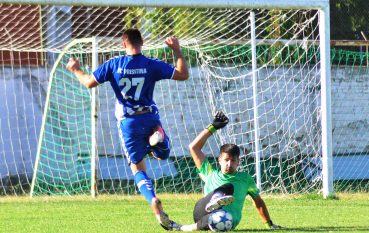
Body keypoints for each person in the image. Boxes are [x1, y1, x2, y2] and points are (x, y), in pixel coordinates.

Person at [66, 28, 189, 228]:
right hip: (149, 117)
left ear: (124, 44)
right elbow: (183, 74)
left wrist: (75, 69)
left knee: (138, 169)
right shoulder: (151, 64)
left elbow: (89, 82)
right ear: (142, 43)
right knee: (163, 155)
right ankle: (158, 141)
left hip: (128, 122)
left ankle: (152, 200)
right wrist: (176, 50)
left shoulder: (113, 64)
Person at [164, 111, 282, 231]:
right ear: (219, 160)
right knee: (227, 188)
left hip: (227, 220)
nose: (229, 164)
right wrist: (213, 127)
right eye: (226, 160)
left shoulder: (245, 179)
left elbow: (258, 201)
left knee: (220, 213)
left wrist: (269, 224)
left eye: (233, 160)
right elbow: (193, 148)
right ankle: (215, 201)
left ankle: (181, 228)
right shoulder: (209, 173)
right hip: (202, 212)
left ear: (238, 162)